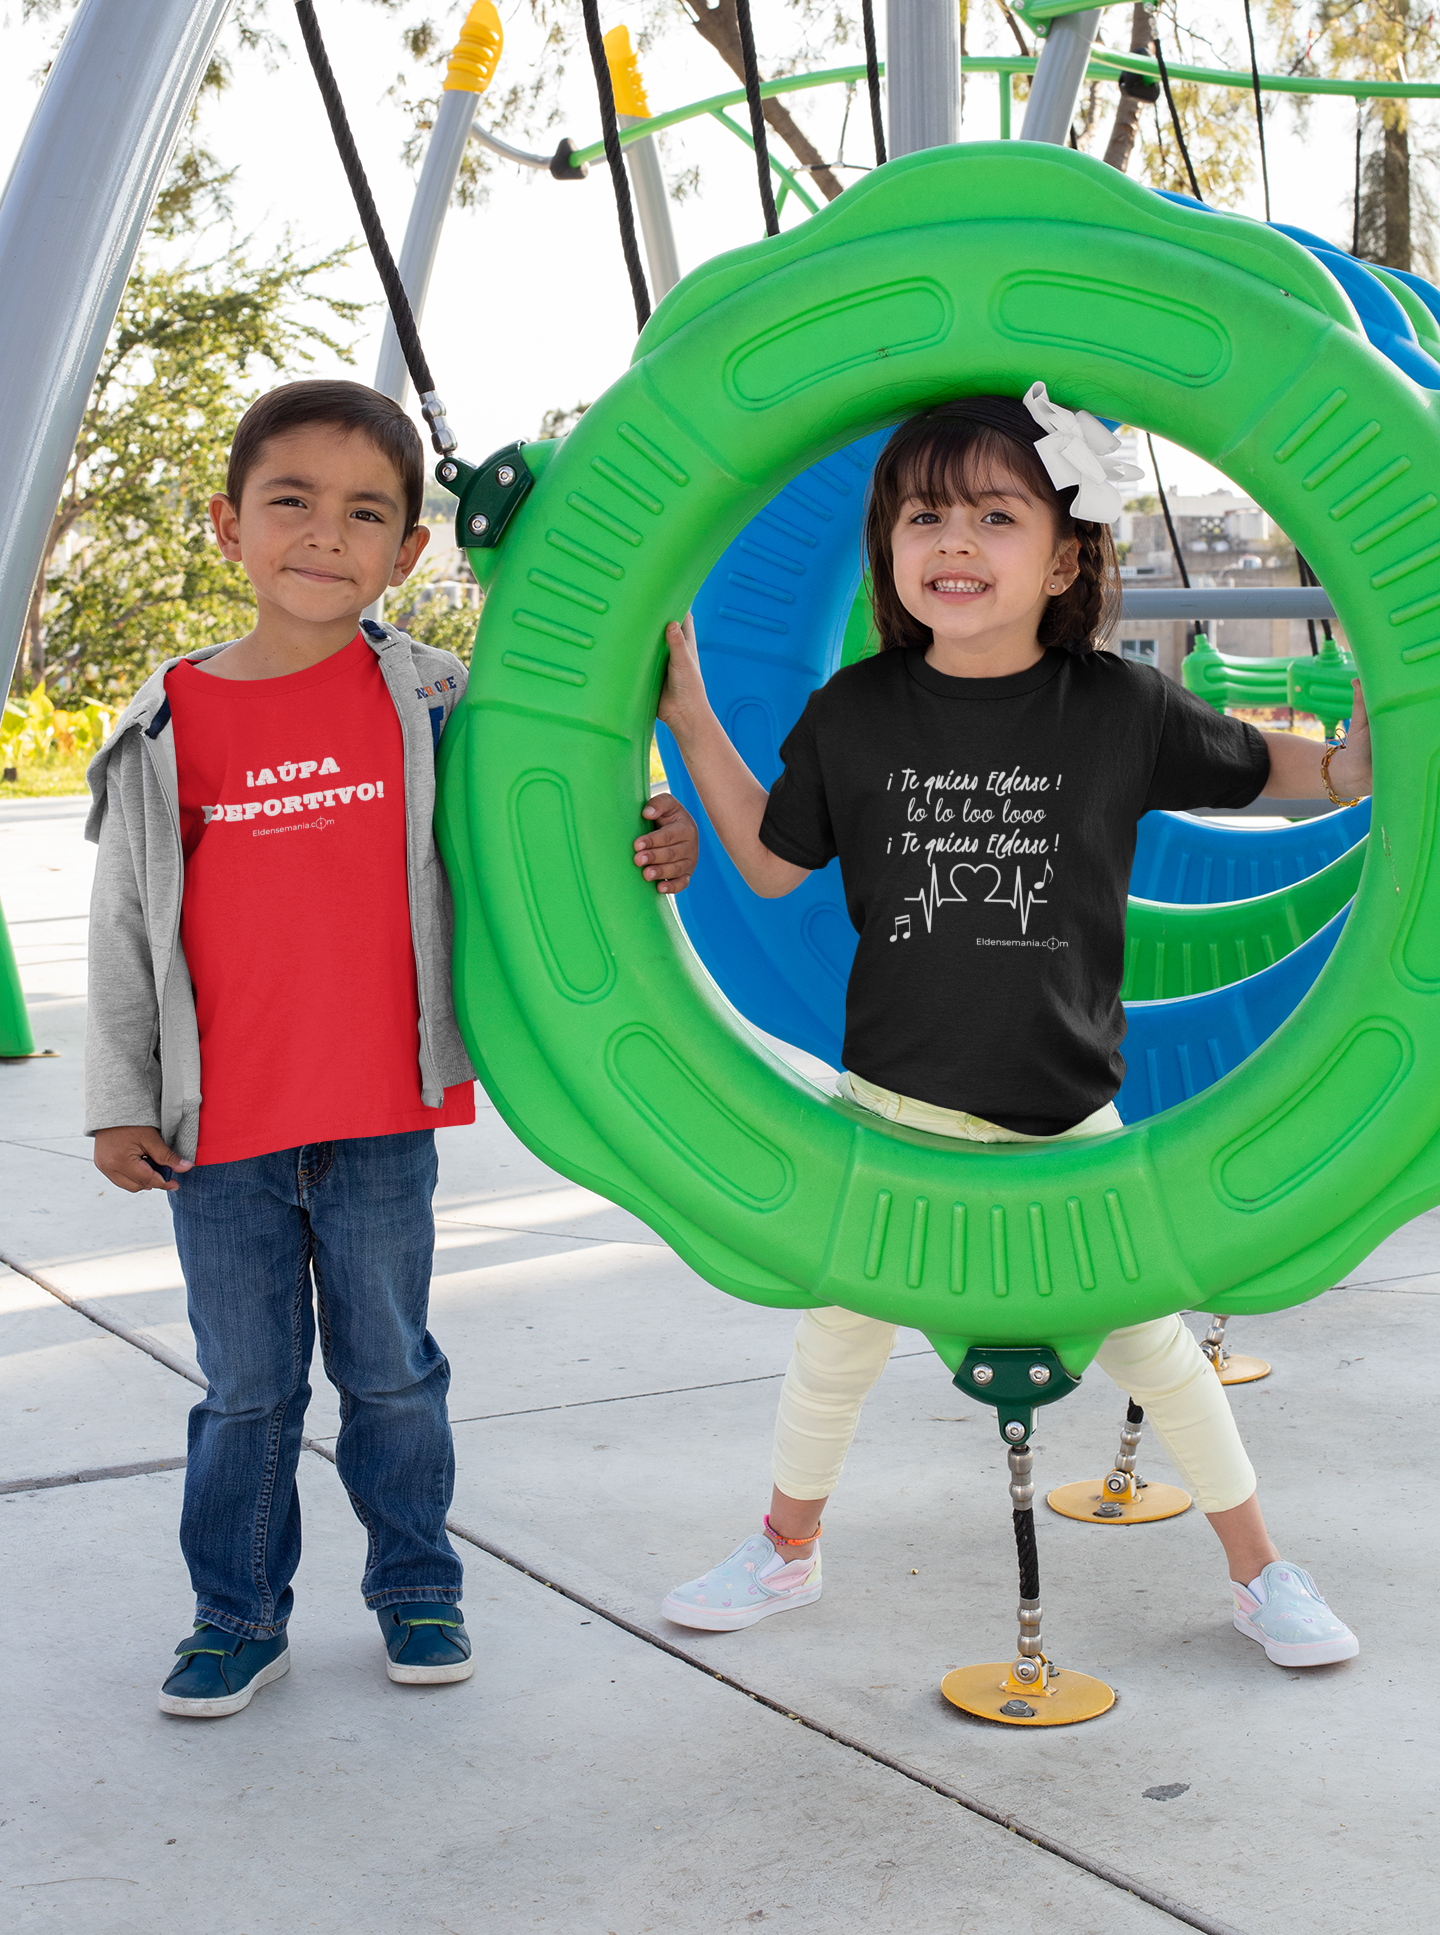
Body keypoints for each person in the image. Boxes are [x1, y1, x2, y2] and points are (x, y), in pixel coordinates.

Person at [653, 387, 1367, 1670]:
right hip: (895, 1111)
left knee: (1154, 1347)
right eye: (923, 515)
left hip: (1062, 1114)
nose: (955, 542)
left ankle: (1263, 1571)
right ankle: (786, 1545)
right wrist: (691, 720)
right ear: (887, 552)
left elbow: (1269, 768)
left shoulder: (1115, 709)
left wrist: (1354, 760)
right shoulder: (856, 714)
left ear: (1069, 552)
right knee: (837, 1342)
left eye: (996, 512)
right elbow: (768, 863)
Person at [84, 379, 698, 1718]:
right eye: (290, 501)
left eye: (367, 512)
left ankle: (418, 1581)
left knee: (392, 1369)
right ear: (226, 524)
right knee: (247, 1388)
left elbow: (552, 817)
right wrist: (118, 1098)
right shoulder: (168, 720)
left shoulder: (437, 701)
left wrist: (655, 829)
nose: (325, 534)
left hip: (377, 1116)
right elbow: (127, 924)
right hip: (219, 1134)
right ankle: (236, 1613)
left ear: (411, 550)